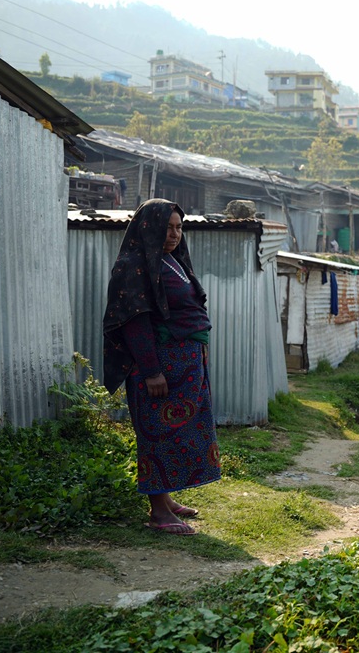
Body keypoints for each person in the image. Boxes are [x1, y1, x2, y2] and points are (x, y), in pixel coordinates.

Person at [102, 199, 220, 535]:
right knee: (158, 434)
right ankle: (158, 512)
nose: (174, 234)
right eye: (167, 227)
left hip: (184, 363)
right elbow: (134, 321)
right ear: (148, 226)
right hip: (159, 368)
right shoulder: (133, 265)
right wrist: (152, 370)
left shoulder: (171, 260)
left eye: (179, 227)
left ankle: (165, 499)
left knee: (180, 433)